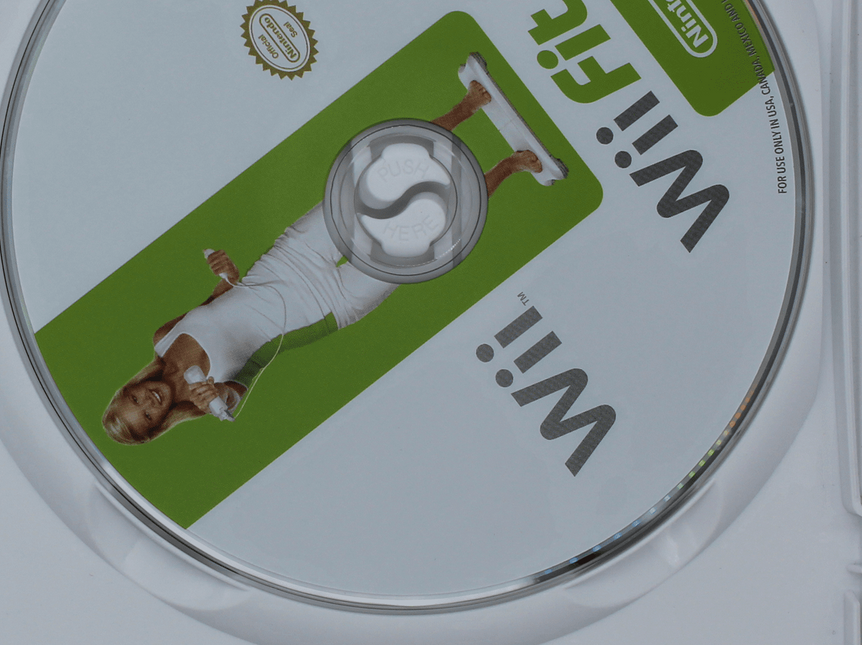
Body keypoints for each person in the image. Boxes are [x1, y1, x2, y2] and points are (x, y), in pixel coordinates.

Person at [103, 82, 543, 446]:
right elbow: (234, 394)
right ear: (160, 425)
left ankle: (465, 107)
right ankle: (508, 167)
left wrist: (226, 272)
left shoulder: (163, 339)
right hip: (330, 305)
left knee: (375, 181)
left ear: (130, 387)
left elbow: (219, 299)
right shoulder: (206, 403)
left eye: (135, 399)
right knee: (424, 236)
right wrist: (215, 393)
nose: (149, 402)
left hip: (288, 259)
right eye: (148, 416)